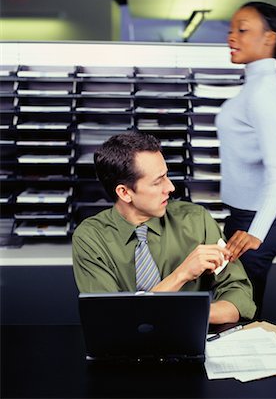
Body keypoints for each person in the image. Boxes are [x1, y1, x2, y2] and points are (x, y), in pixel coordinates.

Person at [72, 131, 256, 324]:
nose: (170, 187)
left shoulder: (196, 220)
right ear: (125, 192)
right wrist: (182, 274)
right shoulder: (90, 238)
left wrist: (190, 315)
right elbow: (112, 319)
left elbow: (238, 293)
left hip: (190, 337)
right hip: (123, 350)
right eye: (157, 181)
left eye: (166, 176)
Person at [216, 1, 276, 314]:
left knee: (239, 309)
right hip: (243, 216)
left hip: (257, 219)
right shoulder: (256, 86)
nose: (232, 37)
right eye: (231, 30)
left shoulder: (263, 91)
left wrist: (256, 233)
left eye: (242, 30)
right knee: (236, 303)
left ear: (268, 39)